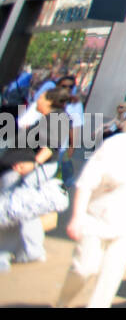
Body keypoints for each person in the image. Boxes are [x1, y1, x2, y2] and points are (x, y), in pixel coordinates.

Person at [55, 103, 126, 308]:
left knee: (112, 273)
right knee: (84, 268)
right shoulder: (114, 144)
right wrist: (77, 216)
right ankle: (63, 302)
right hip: (99, 216)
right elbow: (86, 183)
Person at [0, 86, 70, 268]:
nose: (37, 100)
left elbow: (50, 146)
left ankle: (9, 252)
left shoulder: (57, 118)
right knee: (24, 210)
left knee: (15, 208)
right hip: (22, 167)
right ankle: (31, 250)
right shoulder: (50, 118)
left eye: (41, 97)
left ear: (49, 101)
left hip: (28, 169)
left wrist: (34, 163)